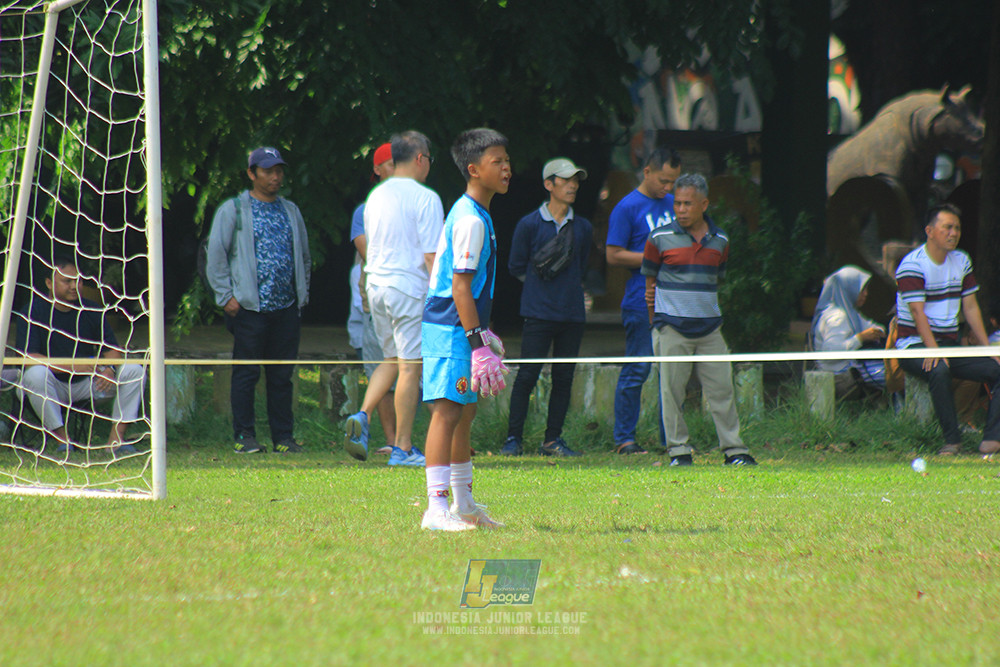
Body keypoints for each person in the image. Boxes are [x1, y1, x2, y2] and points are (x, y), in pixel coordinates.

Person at [420, 127, 511, 531]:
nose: (506, 168)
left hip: (463, 328)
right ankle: (436, 509)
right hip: (449, 329)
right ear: (474, 169)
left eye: (507, 161)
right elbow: (459, 286)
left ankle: (465, 504)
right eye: (497, 162)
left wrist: (483, 334)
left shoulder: (478, 214)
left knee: (465, 411)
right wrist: (477, 344)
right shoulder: (470, 219)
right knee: (447, 411)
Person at [641, 173, 757, 466]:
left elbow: (717, 279)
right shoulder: (658, 238)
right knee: (671, 394)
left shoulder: (721, 240)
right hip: (672, 328)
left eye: (687, 204)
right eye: (677, 203)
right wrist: (658, 325)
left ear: (704, 204)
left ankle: (735, 451)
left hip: (710, 330)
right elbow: (649, 285)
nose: (680, 209)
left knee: (722, 391)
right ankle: (678, 452)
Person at [344, 131, 444, 467]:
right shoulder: (426, 197)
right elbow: (431, 256)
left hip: (376, 286)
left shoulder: (376, 196)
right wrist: (445, 296)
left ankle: (362, 414)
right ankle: (402, 448)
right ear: (420, 158)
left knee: (390, 359)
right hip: (408, 288)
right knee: (410, 368)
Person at [205, 146, 311, 454]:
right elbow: (216, 255)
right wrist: (226, 296)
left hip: (286, 308)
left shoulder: (291, 210)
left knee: (282, 375)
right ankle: (244, 436)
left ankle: (284, 438)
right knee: (246, 373)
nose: (275, 176)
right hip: (249, 308)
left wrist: (301, 293)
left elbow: (303, 256)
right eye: (267, 171)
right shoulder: (234, 209)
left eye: (278, 170)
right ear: (252, 174)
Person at [501, 158, 593, 457]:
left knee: (563, 379)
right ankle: (513, 439)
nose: (573, 186)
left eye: (576, 181)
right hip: (538, 313)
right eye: (566, 180)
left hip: (572, 314)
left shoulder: (583, 227)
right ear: (548, 184)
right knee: (527, 376)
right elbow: (516, 266)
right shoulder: (529, 224)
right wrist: (540, 289)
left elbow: (582, 266)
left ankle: (552, 440)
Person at [894, 203, 1000, 456]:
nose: (954, 233)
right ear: (930, 231)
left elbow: (971, 307)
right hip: (914, 345)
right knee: (939, 369)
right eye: (948, 227)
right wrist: (933, 350)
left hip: (949, 344)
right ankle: (951, 441)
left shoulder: (961, 260)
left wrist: (987, 349)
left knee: (997, 368)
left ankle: (992, 438)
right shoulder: (912, 265)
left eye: (957, 228)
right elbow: (917, 313)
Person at [15, 257, 146, 455]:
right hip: (50, 386)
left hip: (88, 382)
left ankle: (116, 441)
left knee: (134, 371)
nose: (74, 286)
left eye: (78, 281)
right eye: (67, 281)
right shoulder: (32, 311)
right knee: (35, 374)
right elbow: (28, 358)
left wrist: (110, 369)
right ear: (49, 283)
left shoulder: (92, 309)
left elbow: (112, 350)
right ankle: (63, 440)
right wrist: (71, 367)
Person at [605, 146, 681, 455]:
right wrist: (654, 258)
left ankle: (671, 440)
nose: (668, 188)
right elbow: (613, 254)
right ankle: (625, 439)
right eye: (663, 181)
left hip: (675, 299)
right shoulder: (626, 207)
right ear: (647, 172)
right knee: (638, 367)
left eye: (673, 182)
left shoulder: (676, 204)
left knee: (671, 372)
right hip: (640, 299)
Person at [347, 143, 397, 454]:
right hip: (379, 303)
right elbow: (369, 254)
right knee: (384, 369)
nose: (398, 168)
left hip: (412, 301)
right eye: (391, 163)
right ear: (377, 169)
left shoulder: (418, 205)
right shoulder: (364, 211)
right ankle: (393, 442)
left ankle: (445, 438)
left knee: (411, 372)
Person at [810, 266, 887, 397]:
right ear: (848, 289)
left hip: (852, 368)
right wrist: (860, 338)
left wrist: (878, 331)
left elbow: (872, 326)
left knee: (896, 372)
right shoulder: (837, 316)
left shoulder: (851, 313)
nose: (866, 294)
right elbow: (830, 352)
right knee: (896, 376)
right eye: (862, 289)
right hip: (839, 375)